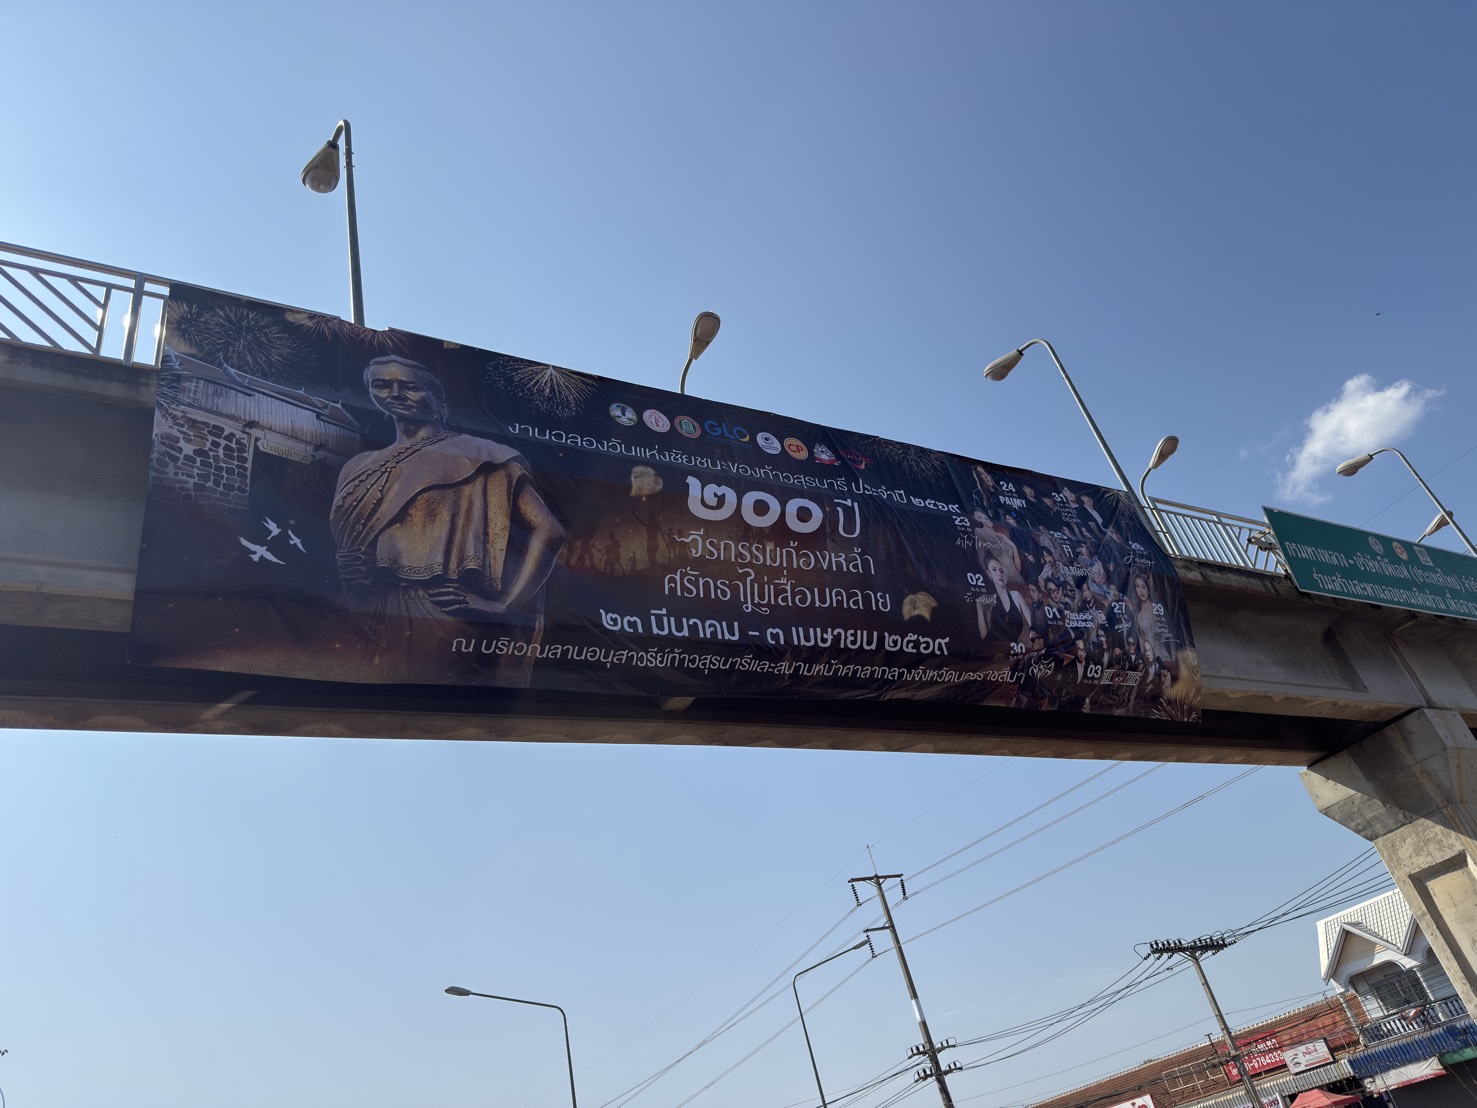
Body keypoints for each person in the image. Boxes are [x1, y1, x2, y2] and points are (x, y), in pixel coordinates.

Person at [331, 356, 566, 685]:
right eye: (381, 385)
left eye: (410, 386)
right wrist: (353, 570)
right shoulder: (357, 466)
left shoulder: (482, 455)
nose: (395, 394)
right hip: (359, 607)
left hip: (437, 610)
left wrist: (505, 607)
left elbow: (549, 530)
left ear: (438, 399)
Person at [975, 554, 1031, 646]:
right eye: (994, 570)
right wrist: (979, 605)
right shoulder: (989, 601)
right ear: (989, 573)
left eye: (1001, 571)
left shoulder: (1016, 595)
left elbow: (1032, 623)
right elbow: (983, 634)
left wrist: (1033, 637)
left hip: (1016, 647)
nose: (999, 574)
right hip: (996, 648)